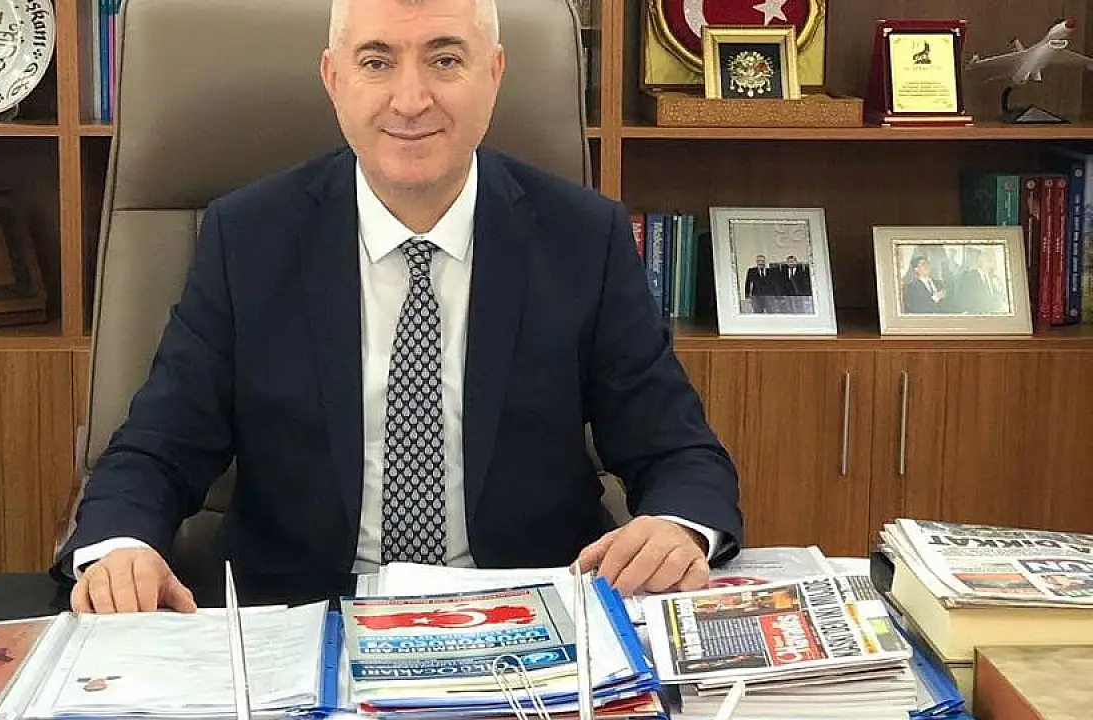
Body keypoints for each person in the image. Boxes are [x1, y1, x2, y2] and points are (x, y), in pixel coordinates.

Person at [54, 0, 743, 614]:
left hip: (529, 618)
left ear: (494, 73)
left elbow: (677, 452)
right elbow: (155, 450)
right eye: (376, 62)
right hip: (303, 622)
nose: (411, 100)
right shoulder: (247, 239)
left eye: (445, 59)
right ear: (333, 78)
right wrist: (120, 548)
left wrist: (677, 527)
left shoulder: (584, 238)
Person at [954, 247, 1007, 314]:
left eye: (990, 262)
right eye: (987, 261)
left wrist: (1001, 298)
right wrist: (997, 305)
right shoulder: (969, 277)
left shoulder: (991, 276)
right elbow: (977, 300)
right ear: (979, 263)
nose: (990, 264)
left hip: (992, 311)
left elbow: (995, 293)